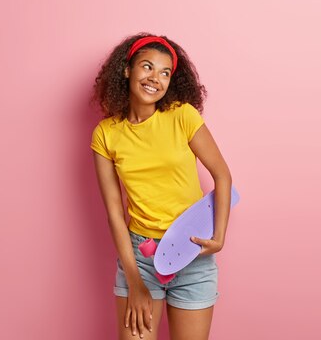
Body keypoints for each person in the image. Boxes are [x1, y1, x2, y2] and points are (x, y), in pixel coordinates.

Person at [90, 32, 233, 340]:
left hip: (193, 254)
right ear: (127, 70)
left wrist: (218, 237)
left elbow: (222, 175)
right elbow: (115, 212)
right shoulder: (106, 134)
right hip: (139, 260)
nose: (155, 78)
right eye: (147, 67)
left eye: (165, 72)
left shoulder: (182, 115)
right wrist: (135, 282)